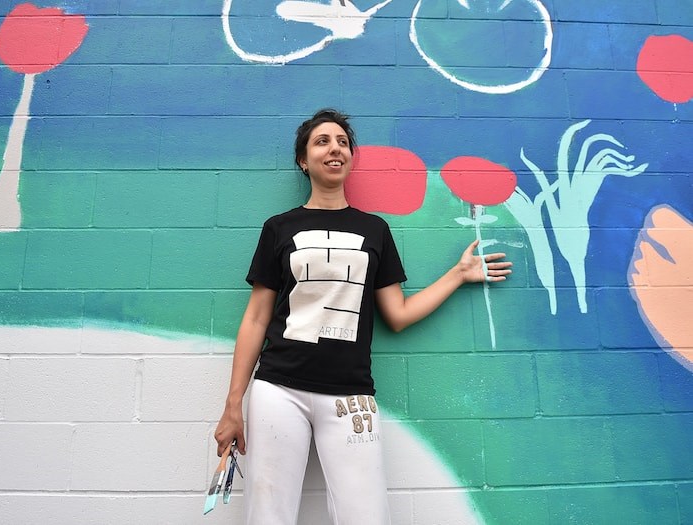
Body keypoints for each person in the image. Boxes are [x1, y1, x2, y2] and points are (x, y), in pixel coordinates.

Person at [214, 108, 512, 524]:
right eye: (322, 141)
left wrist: (458, 276)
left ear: (351, 156)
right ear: (304, 161)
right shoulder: (279, 228)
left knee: (367, 516)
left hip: (351, 395)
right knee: (269, 514)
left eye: (342, 142)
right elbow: (256, 320)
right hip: (278, 389)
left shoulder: (375, 230)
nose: (334, 148)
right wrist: (233, 406)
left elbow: (398, 314)